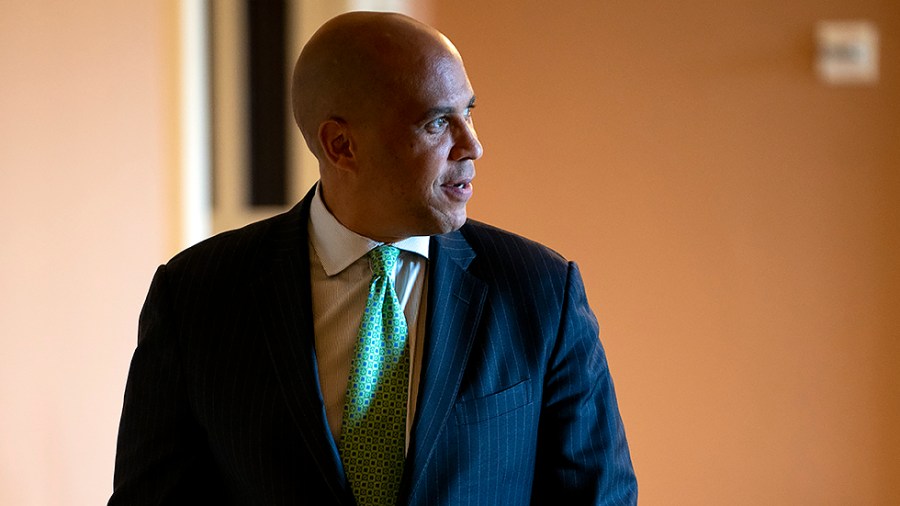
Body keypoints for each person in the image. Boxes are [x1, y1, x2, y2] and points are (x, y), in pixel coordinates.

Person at [109, 11, 637, 506]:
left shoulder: (540, 290)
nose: (472, 145)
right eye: (437, 123)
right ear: (341, 146)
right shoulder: (197, 296)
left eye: (468, 113)